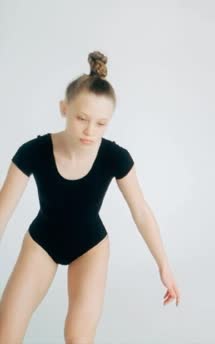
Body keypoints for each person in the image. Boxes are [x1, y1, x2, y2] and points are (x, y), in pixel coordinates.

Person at [0, 51, 180, 344]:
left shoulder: (115, 157)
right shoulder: (32, 152)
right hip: (41, 243)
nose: (89, 131)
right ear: (64, 108)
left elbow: (141, 212)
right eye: (81, 118)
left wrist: (164, 265)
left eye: (100, 123)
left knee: (77, 338)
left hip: (90, 248)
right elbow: (2, 210)